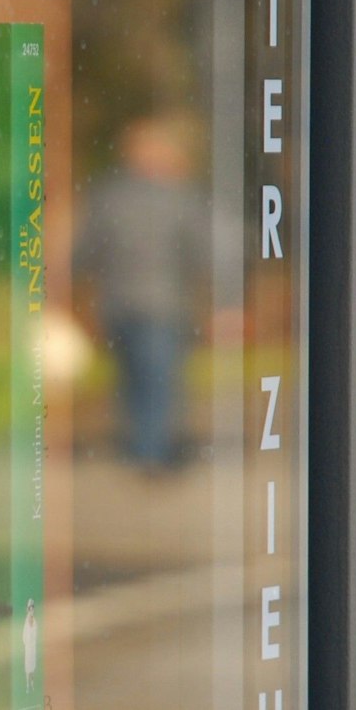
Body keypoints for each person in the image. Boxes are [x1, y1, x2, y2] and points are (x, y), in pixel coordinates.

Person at [76, 112, 210, 470]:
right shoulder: (179, 197)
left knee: (136, 376)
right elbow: (203, 249)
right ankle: (151, 450)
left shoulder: (109, 196)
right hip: (162, 302)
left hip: (119, 302)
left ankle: (143, 445)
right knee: (157, 377)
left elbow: (86, 250)